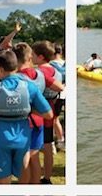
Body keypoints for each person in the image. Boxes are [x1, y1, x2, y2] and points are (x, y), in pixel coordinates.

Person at [0, 49, 52, 185]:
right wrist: (28, 109)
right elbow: (48, 114)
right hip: (23, 139)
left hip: (0, 139)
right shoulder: (30, 87)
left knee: (3, 178)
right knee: (23, 172)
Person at [31, 41, 64, 185]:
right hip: (52, 109)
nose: (30, 57)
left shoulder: (39, 72)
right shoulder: (56, 70)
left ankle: (34, 176)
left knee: (35, 146)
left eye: (32, 54)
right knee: (48, 144)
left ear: (40, 57)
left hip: (39, 112)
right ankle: (47, 177)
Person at [14, 42, 47, 184]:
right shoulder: (40, 74)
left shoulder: (14, 78)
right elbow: (58, 87)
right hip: (39, 119)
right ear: (30, 57)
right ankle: (36, 185)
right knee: (35, 157)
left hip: (23, 122)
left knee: (24, 158)